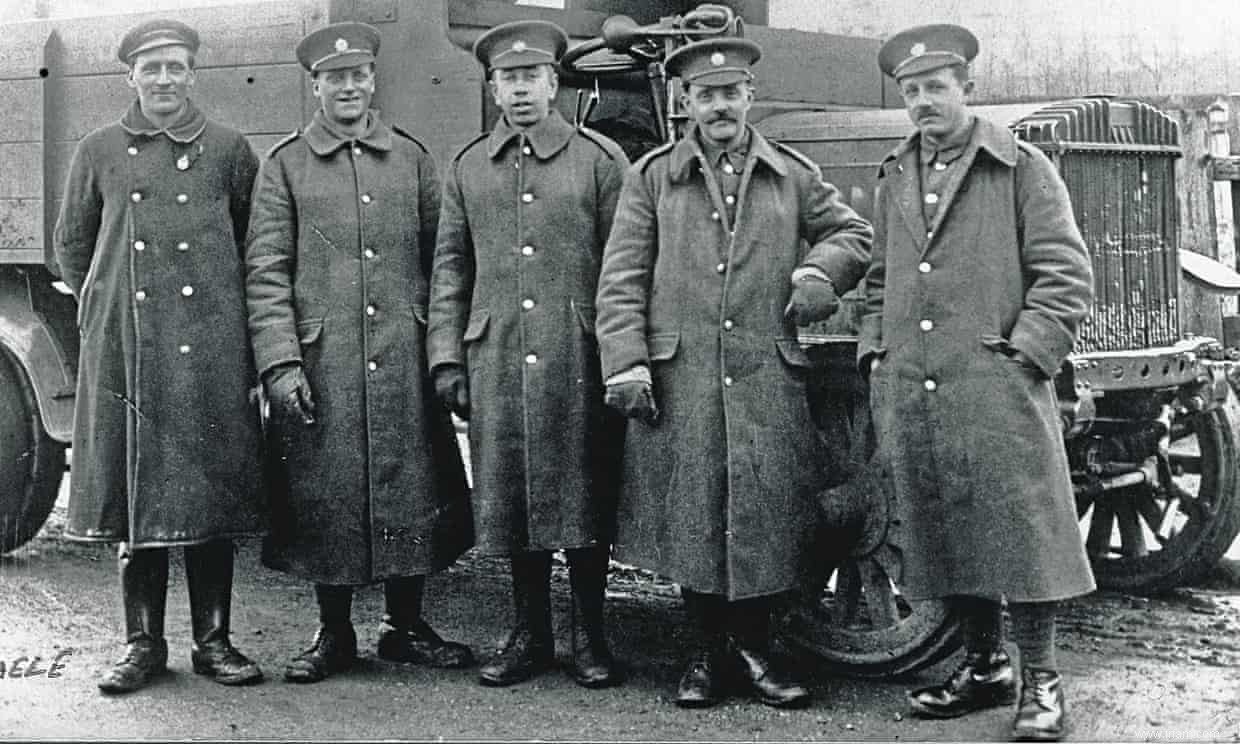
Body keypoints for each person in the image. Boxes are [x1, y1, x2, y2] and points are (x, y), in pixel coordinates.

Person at [594, 37, 873, 709]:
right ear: (685, 102)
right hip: (682, 374)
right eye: (705, 94)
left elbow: (854, 235)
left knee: (760, 513)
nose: (719, 106)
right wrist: (626, 361)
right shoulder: (654, 176)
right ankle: (700, 654)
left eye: (731, 92)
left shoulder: (792, 173)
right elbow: (622, 278)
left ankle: (755, 651)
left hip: (763, 373)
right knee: (695, 510)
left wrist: (818, 273)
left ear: (750, 96)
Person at [860, 24, 1096, 741]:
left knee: (1025, 531)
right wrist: (877, 349)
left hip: (994, 381)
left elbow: (1065, 275)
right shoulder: (895, 173)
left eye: (937, 87)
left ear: (969, 90)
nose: (924, 101)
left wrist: (1026, 356)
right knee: (943, 523)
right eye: (912, 90)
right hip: (917, 382)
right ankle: (985, 665)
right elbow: (879, 278)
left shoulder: (1021, 167)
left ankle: (1043, 682)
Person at [245, 21, 474, 684]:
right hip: (327, 360)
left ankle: (405, 625)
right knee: (328, 492)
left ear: (372, 81)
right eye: (333, 78)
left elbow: (445, 262)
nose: (347, 87)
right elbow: (265, 269)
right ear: (316, 86)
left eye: (357, 75)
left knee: (411, 484)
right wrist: (282, 362)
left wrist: (441, 350)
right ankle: (334, 630)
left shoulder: (410, 157)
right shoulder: (285, 165)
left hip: (403, 351)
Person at [53, 19, 266, 694]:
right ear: (132, 77)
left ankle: (215, 642)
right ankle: (142, 644)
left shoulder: (231, 151)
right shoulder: (99, 150)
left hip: (209, 347)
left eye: (176, 67)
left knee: (211, 492)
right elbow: (73, 245)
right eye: (153, 69)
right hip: (130, 348)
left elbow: (252, 242)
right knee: (134, 496)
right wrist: (111, 303)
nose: (166, 80)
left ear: (193, 74)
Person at [427, 20, 629, 689]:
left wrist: (622, 354)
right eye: (507, 79)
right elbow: (451, 270)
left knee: (584, 496)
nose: (519, 91)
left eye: (532, 78)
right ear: (492, 87)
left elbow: (625, 267)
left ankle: (590, 638)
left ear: (554, 84)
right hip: (499, 358)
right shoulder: (468, 167)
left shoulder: (599, 161)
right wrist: (447, 360)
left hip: (579, 355)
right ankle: (529, 635)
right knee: (512, 500)